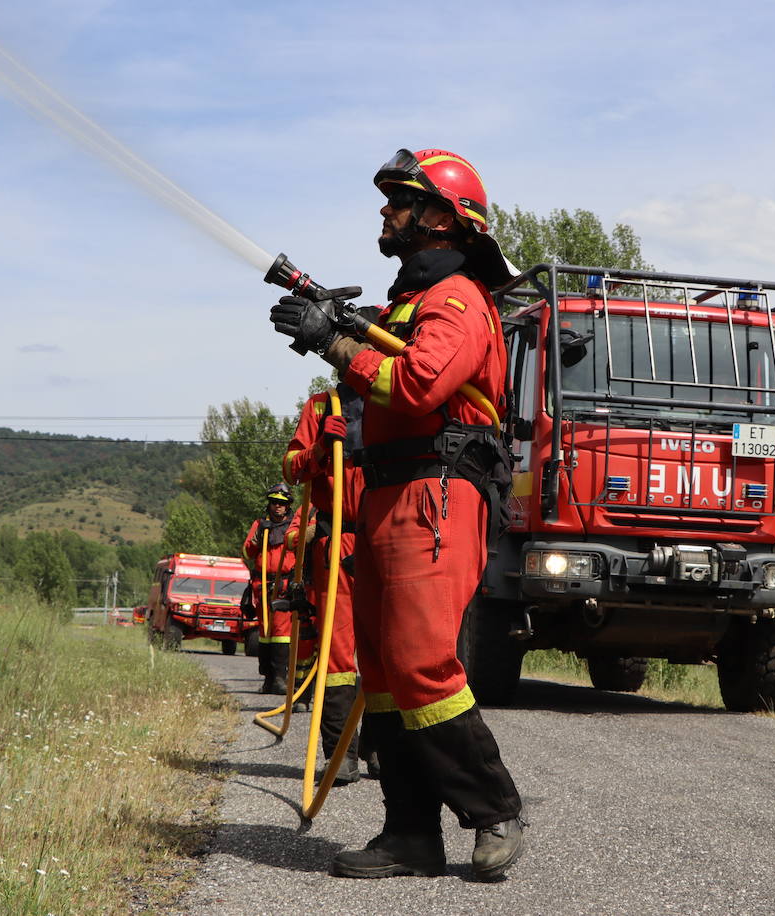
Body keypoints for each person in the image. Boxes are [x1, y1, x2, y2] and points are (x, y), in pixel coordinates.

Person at [269, 148, 525, 882]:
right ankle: (410, 834)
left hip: (437, 493)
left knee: (419, 660)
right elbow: (380, 370)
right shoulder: (411, 305)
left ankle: (494, 808)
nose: (385, 212)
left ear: (442, 218)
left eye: (400, 202)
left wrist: (334, 341)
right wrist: (338, 330)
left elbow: (415, 384)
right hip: (390, 496)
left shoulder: (457, 301)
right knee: (380, 671)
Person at [283, 381, 366, 786]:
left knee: (392, 649)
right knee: (337, 655)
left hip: (390, 537)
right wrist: (317, 452)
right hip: (337, 539)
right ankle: (340, 754)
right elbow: (290, 466)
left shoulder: (398, 400)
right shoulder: (320, 407)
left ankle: (384, 751)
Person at [242, 483, 298, 695]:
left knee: (282, 632)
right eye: (274, 503)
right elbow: (247, 553)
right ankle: (267, 678)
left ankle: (280, 678)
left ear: (288, 506)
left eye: (282, 504)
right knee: (265, 632)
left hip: (283, 584)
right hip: (261, 585)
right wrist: (258, 538)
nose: (277, 507)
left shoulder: (294, 527)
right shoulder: (259, 524)